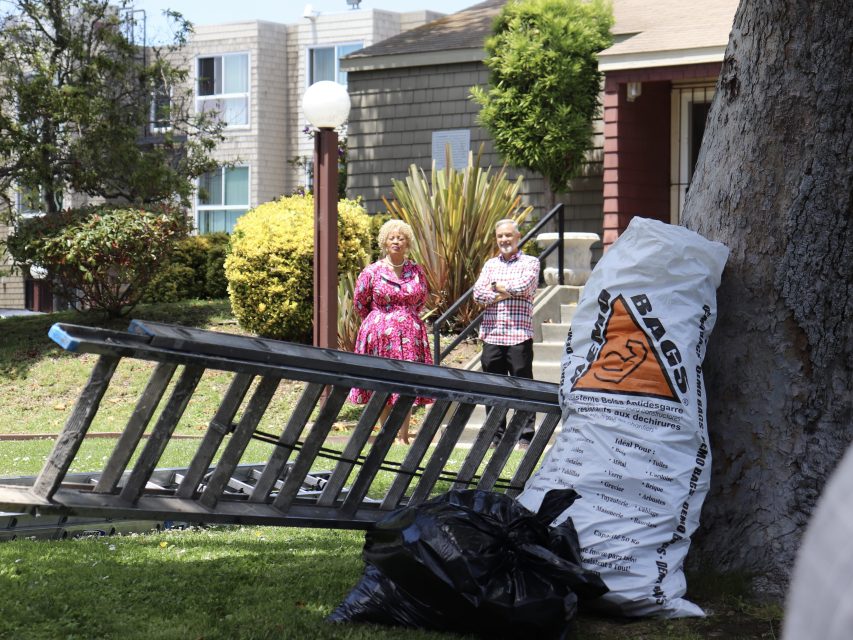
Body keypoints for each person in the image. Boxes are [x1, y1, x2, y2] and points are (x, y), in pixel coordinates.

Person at [347, 219, 433, 444]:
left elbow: (422, 298)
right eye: (392, 237)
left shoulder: (416, 271)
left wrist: (404, 318)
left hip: (411, 337)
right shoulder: (372, 271)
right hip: (379, 336)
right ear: (384, 242)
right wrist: (382, 320)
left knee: (407, 385)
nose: (396, 241)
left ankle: (403, 438)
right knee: (383, 385)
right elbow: (360, 302)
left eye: (401, 238)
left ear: (407, 243)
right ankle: (388, 435)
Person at [473, 218, 540, 448]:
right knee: (493, 387)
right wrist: (502, 291)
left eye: (508, 235)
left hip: (519, 334)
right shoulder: (490, 264)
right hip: (492, 334)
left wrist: (497, 287)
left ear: (518, 237)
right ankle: (495, 436)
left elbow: (525, 287)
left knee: (523, 386)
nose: (504, 240)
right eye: (500, 236)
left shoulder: (531, 262)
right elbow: (478, 294)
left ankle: (525, 435)